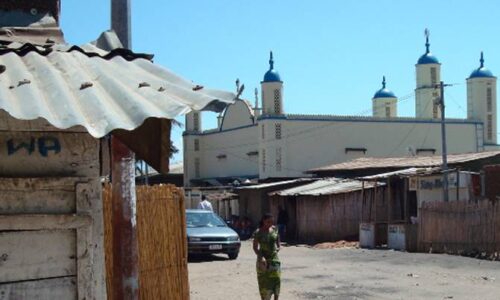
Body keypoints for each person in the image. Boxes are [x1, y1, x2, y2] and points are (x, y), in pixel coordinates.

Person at [253, 213, 281, 300]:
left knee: (276, 280)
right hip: (263, 262)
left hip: (274, 260)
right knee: (264, 284)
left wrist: (278, 248)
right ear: (263, 221)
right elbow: (255, 247)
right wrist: (261, 257)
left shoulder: (275, 229)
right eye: (268, 222)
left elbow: (278, 242)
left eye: (271, 222)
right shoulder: (258, 232)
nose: (270, 223)